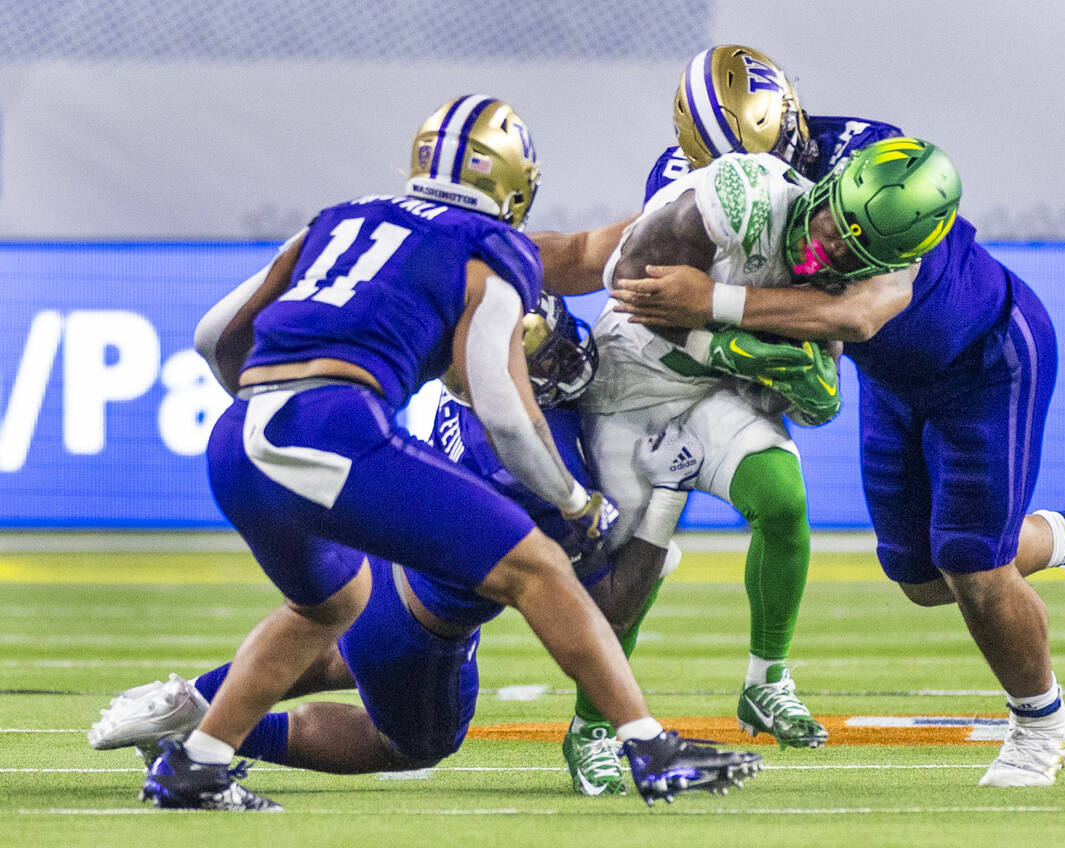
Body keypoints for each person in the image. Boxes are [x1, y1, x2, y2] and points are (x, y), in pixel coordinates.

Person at [139, 95, 761, 811]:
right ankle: (650, 747)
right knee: (539, 566)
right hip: (329, 425)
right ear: (515, 184)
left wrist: (268, 397)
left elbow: (215, 335)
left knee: (328, 606)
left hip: (237, 438)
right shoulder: (487, 249)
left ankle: (196, 763)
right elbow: (505, 409)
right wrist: (574, 502)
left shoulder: (345, 216)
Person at [604, 54, 1065, 787]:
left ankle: (1040, 725)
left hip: (982, 359)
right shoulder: (690, 191)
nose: (751, 193)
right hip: (894, 378)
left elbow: (861, 312)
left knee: (972, 568)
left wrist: (713, 307)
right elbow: (627, 260)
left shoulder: (874, 161)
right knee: (922, 579)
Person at [91, 294, 690, 791]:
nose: (566, 364)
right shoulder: (529, 465)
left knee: (331, 653)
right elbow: (612, 609)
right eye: (540, 358)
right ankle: (203, 738)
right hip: (417, 625)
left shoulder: (455, 386)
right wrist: (664, 499)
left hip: (377, 562)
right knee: (411, 744)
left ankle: (187, 700)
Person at [531, 49, 837, 789]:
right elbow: (637, 287)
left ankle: (768, 680)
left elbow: (816, 311)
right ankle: (593, 728)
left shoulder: (806, 191)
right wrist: (737, 345)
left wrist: (799, 359)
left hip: (712, 385)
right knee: (631, 564)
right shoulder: (701, 197)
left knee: (783, 500)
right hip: (635, 388)